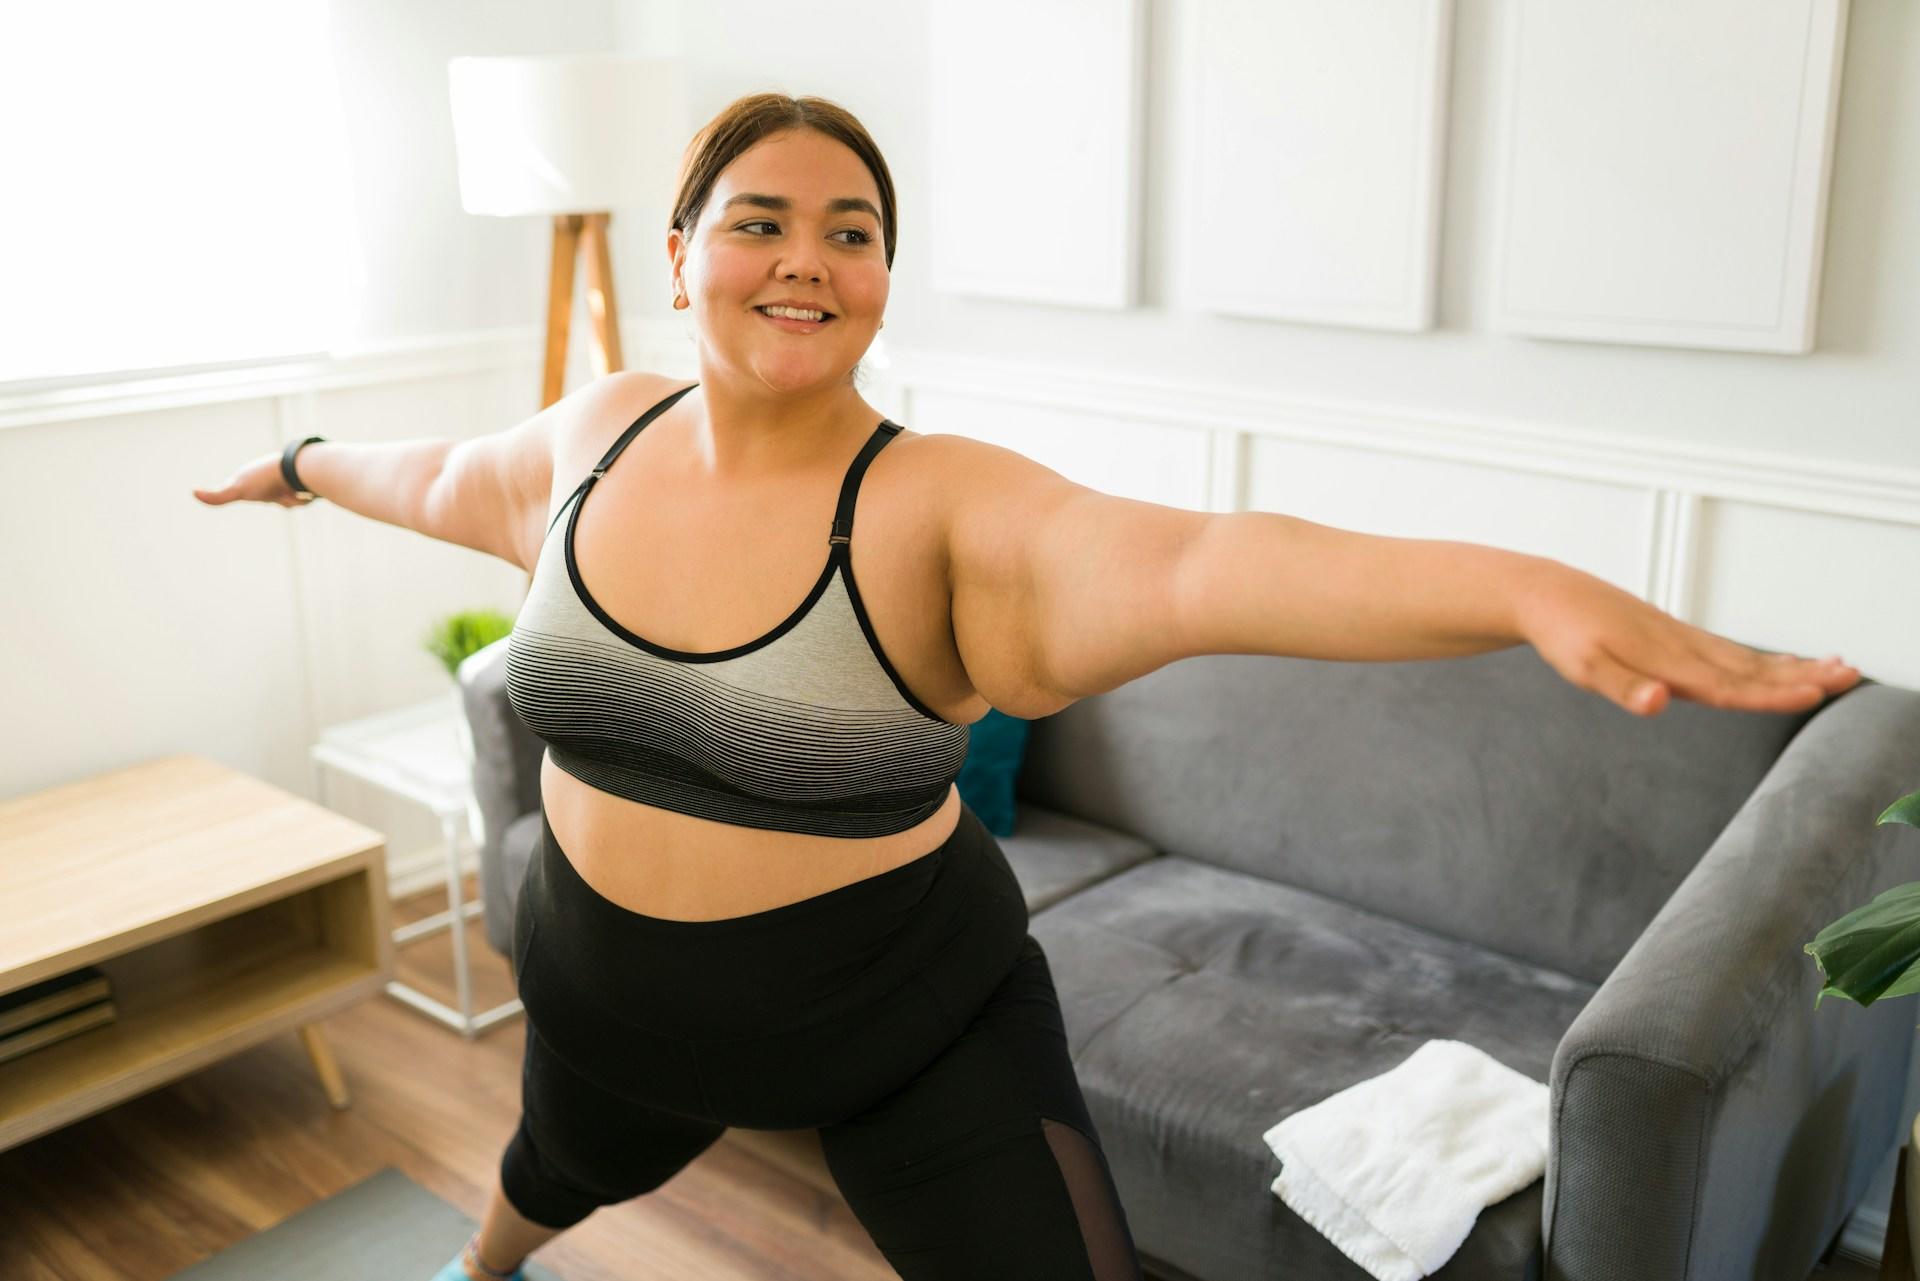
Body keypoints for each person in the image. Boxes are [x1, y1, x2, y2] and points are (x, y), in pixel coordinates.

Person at [192, 92, 1862, 1281]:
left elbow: (1222, 561)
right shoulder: (587, 433)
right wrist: (298, 456)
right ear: (683, 244)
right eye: (760, 218)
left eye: (852, 231)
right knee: (551, 1170)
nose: (806, 256)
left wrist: (1522, 586)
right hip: (604, 988)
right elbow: (422, 473)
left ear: (880, 280)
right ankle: (483, 1267)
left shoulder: (939, 505)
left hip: (900, 1020)